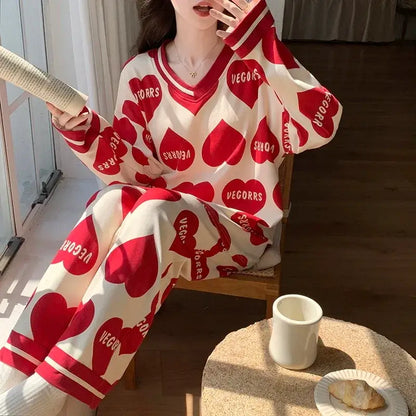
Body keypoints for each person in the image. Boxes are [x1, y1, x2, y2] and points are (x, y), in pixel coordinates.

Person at [0, 0, 343, 414]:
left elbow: (321, 125)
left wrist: (264, 45)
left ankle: (49, 391)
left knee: (153, 209)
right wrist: (84, 128)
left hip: (237, 232)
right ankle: (16, 377)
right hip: (160, 225)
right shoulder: (140, 73)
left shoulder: (257, 67)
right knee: (112, 201)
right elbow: (134, 175)